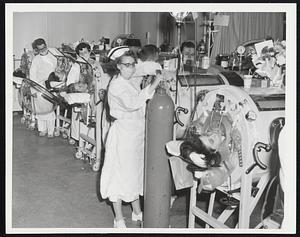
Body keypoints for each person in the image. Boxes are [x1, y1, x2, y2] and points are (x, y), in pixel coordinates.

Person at [100, 50, 162, 228]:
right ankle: (118, 217)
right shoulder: (117, 85)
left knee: (135, 174)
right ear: (118, 66)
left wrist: (157, 70)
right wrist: (155, 83)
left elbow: (144, 69)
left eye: (132, 64)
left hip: (136, 134)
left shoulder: (129, 80)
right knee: (119, 176)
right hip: (123, 135)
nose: (130, 68)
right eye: (126, 65)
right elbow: (133, 103)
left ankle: (136, 212)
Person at [29, 38, 57, 138]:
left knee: (50, 109)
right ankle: (42, 129)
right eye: (40, 49)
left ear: (46, 45)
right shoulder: (36, 60)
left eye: (44, 48)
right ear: (36, 49)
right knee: (40, 110)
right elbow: (32, 76)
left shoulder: (54, 55)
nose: (43, 50)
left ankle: (50, 131)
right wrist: (34, 89)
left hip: (52, 86)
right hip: (39, 87)